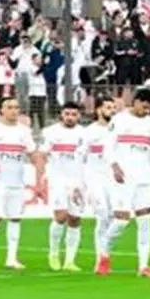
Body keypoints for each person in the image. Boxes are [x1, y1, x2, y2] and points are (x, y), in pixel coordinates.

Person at [99, 88, 150, 277]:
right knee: (121, 220)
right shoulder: (119, 120)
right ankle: (104, 253)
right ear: (135, 102)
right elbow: (107, 147)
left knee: (145, 220)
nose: (147, 111)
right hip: (124, 177)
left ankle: (143, 266)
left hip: (145, 177)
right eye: (144, 106)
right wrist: (114, 166)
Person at [0, 97, 44, 270]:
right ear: (1, 110)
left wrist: (39, 176)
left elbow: (33, 154)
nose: (14, 110)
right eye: (10, 107)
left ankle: (12, 258)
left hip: (17, 181)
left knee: (15, 218)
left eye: (16, 107)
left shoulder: (24, 131)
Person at [41, 102, 88, 272]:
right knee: (60, 216)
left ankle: (70, 260)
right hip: (58, 180)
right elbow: (42, 154)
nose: (70, 117)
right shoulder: (51, 132)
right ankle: (53, 254)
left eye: (74, 114)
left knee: (75, 219)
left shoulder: (85, 134)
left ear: (79, 116)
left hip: (78, 181)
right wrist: (40, 177)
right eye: (67, 114)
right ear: (61, 114)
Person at [81, 95, 117, 274]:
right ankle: (101, 259)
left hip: (113, 179)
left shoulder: (117, 131)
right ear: (99, 110)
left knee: (113, 217)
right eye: (108, 107)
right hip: (95, 179)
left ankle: (105, 254)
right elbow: (80, 156)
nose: (112, 110)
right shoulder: (89, 132)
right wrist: (80, 182)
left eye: (113, 107)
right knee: (102, 215)